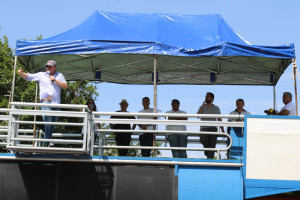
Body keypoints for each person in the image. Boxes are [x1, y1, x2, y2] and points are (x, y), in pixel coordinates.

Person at [18, 60, 68, 147]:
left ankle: (48, 141)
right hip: (46, 102)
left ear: (54, 67)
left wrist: (55, 80)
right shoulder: (41, 75)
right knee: (48, 123)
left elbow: (65, 86)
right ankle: (46, 143)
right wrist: (22, 74)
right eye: (47, 66)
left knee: (53, 125)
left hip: (56, 103)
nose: (47, 68)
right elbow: (29, 76)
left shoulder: (59, 75)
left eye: (50, 66)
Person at [197, 92, 224, 159]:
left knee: (212, 145)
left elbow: (219, 119)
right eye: (205, 96)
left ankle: (210, 160)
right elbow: (198, 116)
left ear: (212, 98)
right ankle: (207, 150)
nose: (206, 98)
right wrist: (202, 106)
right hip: (203, 128)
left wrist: (223, 130)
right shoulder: (202, 107)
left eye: (207, 96)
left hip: (213, 128)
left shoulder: (216, 108)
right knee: (202, 140)